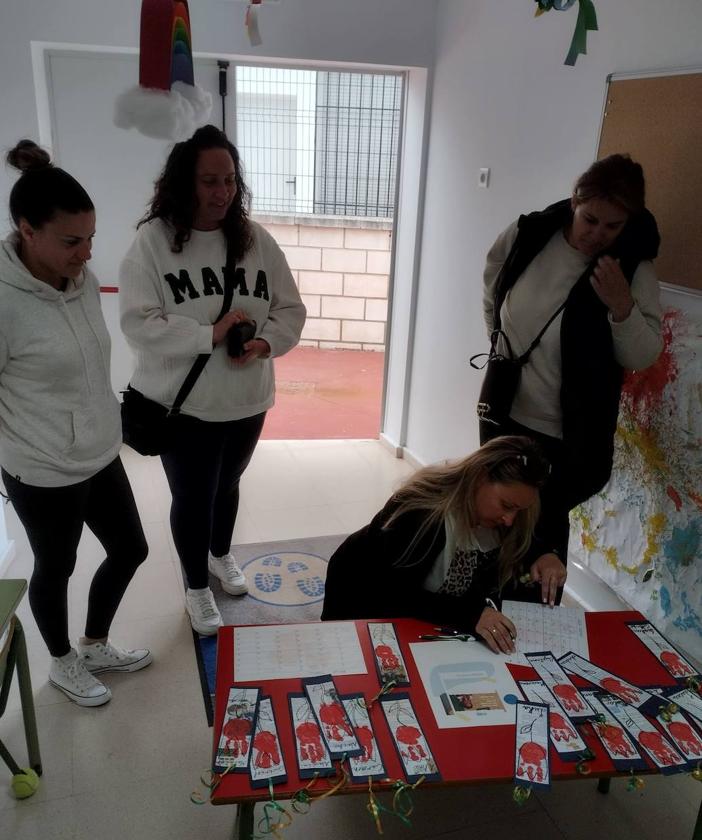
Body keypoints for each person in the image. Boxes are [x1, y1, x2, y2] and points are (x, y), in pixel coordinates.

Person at [119, 125, 306, 636]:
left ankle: (221, 557)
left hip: (247, 401)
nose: (221, 192)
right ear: (184, 183)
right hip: (186, 407)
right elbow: (139, 323)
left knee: (228, 486)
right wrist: (208, 334)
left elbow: (290, 307)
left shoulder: (255, 239)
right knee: (194, 497)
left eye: (228, 180)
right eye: (208, 182)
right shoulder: (154, 242)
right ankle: (196, 587)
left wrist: (266, 342)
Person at [0, 141, 151, 707]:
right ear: (26, 230)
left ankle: (93, 644)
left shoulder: (80, 280)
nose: (87, 253)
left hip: (98, 448)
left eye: (90, 237)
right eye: (71, 241)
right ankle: (62, 661)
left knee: (131, 549)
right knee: (55, 567)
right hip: (40, 466)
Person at [479, 154, 663, 602]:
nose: (597, 235)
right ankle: (474, 609)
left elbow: (643, 354)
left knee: (538, 531)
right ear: (573, 202)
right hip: (505, 413)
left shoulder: (631, 269)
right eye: (590, 219)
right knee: (491, 514)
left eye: (612, 227)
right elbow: (494, 292)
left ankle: (529, 630)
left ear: (629, 223)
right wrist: (503, 349)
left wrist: (621, 305)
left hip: (568, 433)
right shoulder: (529, 235)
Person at [321, 436, 551, 653]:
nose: (510, 519)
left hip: (428, 609)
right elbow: (396, 596)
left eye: (518, 510)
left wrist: (546, 555)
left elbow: (526, 543)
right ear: (480, 478)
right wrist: (471, 614)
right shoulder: (418, 512)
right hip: (362, 593)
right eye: (506, 505)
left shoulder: (502, 516)